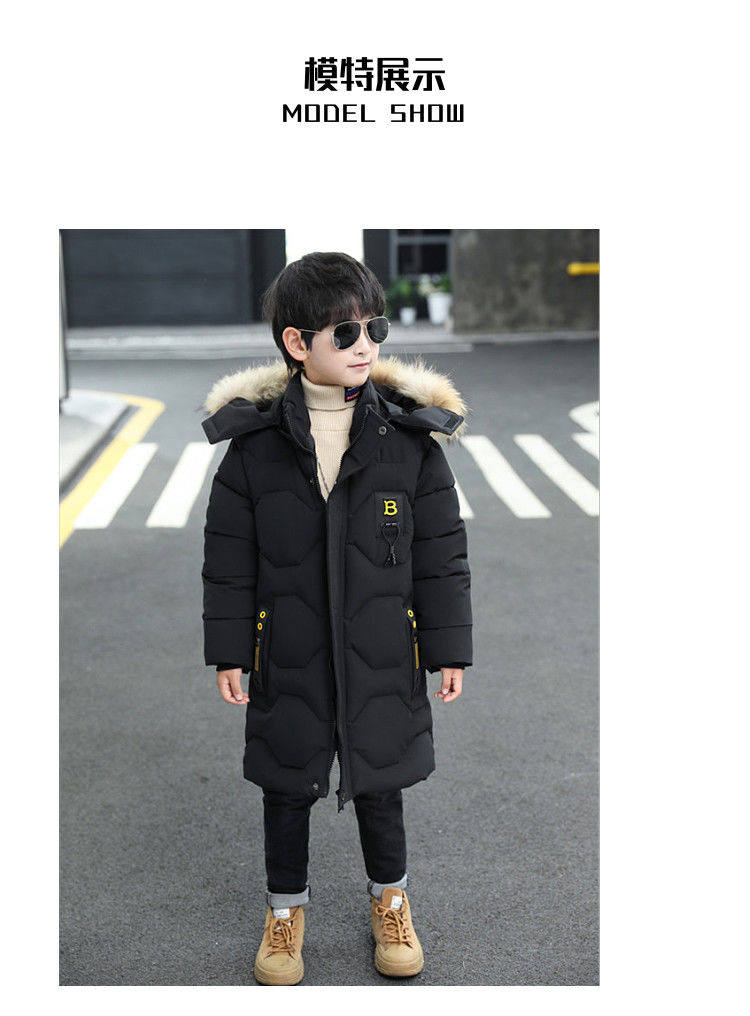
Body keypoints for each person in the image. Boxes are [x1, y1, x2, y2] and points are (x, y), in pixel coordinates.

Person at [200, 252, 473, 985]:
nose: (365, 346)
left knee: (381, 781)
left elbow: (440, 556)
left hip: (381, 649)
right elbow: (229, 560)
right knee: (287, 782)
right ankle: (285, 913)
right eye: (345, 333)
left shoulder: (409, 443)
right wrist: (231, 650)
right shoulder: (253, 448)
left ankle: (392, 900)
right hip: (287, 651)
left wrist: (447, 647)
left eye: (374, 328)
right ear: (297, 344)